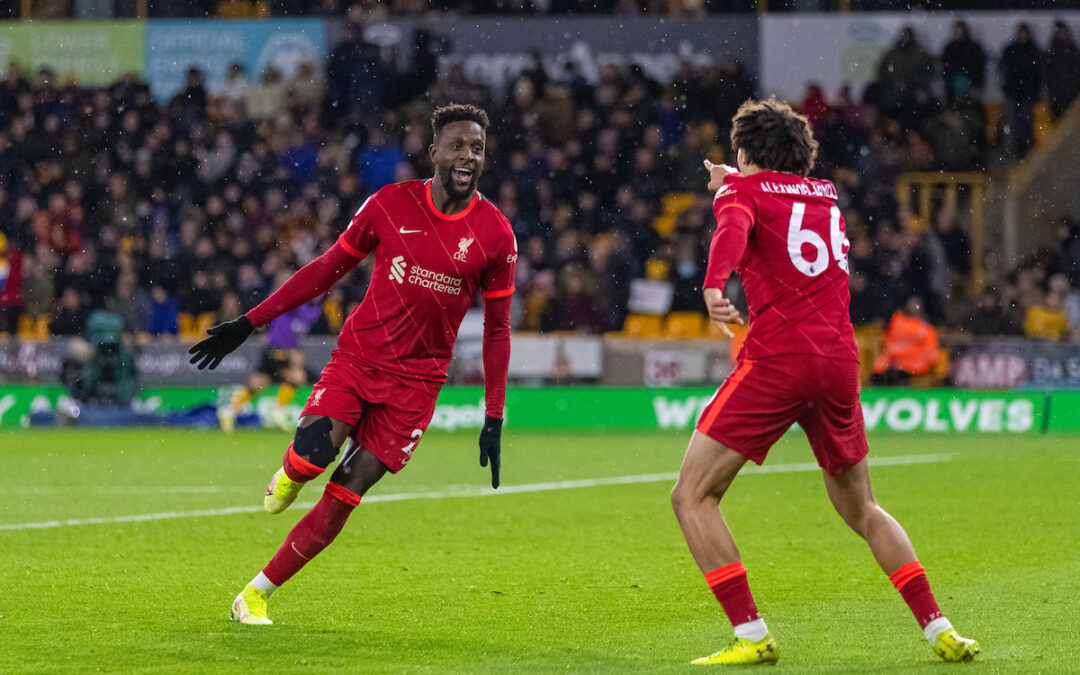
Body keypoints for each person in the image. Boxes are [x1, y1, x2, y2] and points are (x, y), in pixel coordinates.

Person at [669, 98, 978, 666]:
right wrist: (731, 179)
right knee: (863, 508)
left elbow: (735, 224)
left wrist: (714, 285)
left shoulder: (742, 194)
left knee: (692, 495)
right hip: (838, 361)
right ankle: (940, 629)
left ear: (744, 151)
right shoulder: (825, 195)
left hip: (780, 358)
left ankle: (752, 634)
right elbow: (768, 194)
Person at [188, 104, 517, 625]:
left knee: (346, 494)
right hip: (361, 359)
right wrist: (249, 322)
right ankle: (292, 474)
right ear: (434, 152)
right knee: (313, 456)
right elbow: (325, 270)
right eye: (456, 145)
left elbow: (497, 329)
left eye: (476, 148)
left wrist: (494, 415)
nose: (467, 156)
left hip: (418, 386)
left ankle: (253, 594)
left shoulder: (495, 234)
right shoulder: (389, 204)